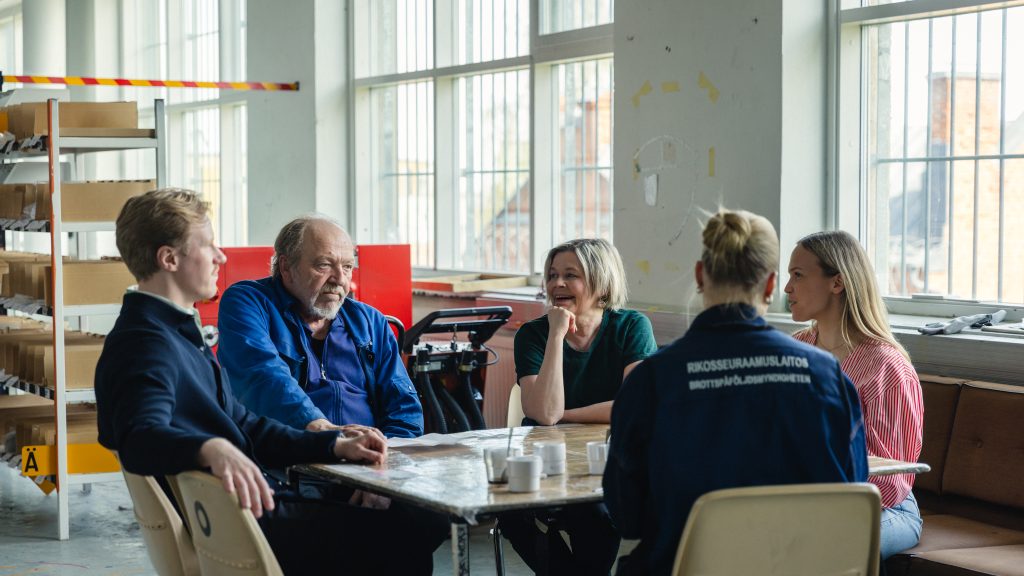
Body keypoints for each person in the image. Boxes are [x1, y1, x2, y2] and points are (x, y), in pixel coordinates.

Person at [95, 189, 410, 574]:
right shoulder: (146, 342)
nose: (221, 257)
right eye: (208, 245)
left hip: (244, 509)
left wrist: (333, 443)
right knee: (413, 526)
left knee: (407, 524)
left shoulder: (172, 332)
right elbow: (138, 437)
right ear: (169, 258)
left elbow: (246, 425)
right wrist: (211, 448)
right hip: (240, 521)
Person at [604, 209, 869, 576]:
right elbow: (849, 497)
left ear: (700, 275)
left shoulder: (653, 379)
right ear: (771, 284)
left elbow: (626, 515)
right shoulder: (828, 378)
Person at [501, 238, 658, 575]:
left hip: (608, 463)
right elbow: (543, 414)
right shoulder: (534, 334)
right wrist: (556, 335)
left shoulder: (631, 326)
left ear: (600, 281)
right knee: (512, 512)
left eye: (571, 275)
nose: (557, 284)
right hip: (547, 464)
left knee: (597, 514)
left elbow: (635, 408)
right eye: (552, 275)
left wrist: (564, 416)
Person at [217, 214, 422, 439]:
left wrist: (389, 454)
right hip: (283, 460)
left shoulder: (370, 322)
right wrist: (327, 436)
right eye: (324, 265)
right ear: (286, 266)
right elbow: (263, 377)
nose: (339, 279)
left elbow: (404, 409)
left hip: (367, 461)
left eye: (347, 267)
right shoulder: (249, 302)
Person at [785, 230, 924, 559]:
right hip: (803, 500)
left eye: (798, 275)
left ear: (838, 282)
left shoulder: (886, 368)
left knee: (817, 545)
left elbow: (893, 480)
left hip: (886, 509)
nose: (787, 287)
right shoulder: (794, 349)